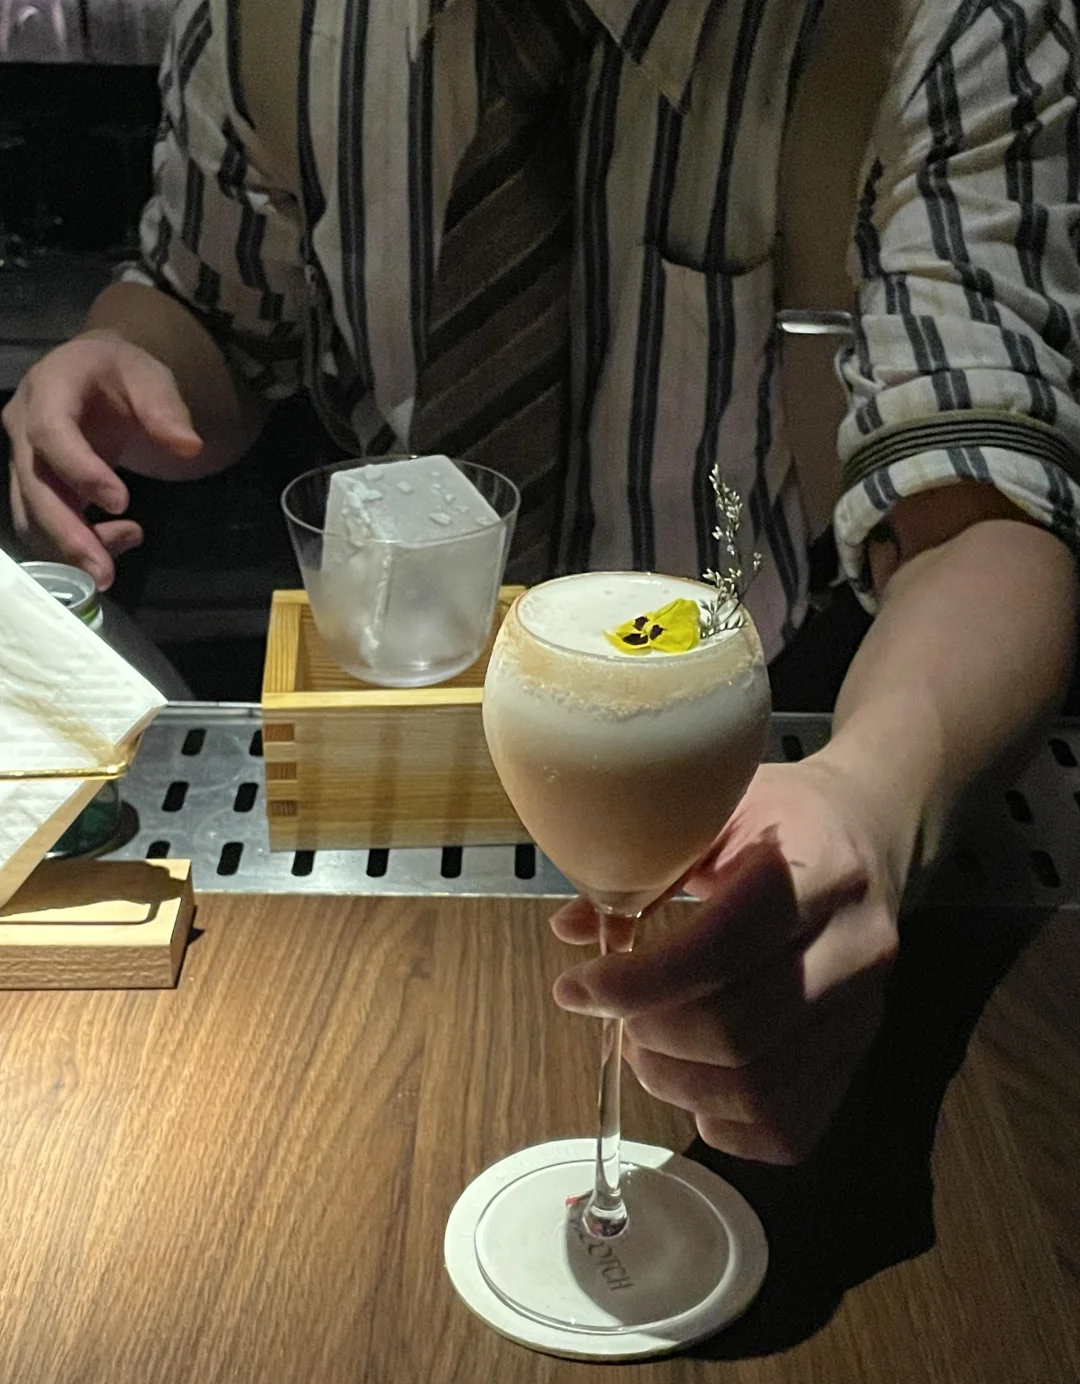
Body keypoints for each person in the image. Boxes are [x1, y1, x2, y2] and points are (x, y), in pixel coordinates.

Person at [4, 0, 1078, 1164]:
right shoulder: (267, 18)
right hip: (409, 725)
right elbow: (212, 309)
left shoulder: (942, 25)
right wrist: (135, 355)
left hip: (746, 758)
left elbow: (984, 507)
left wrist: (870, 795)